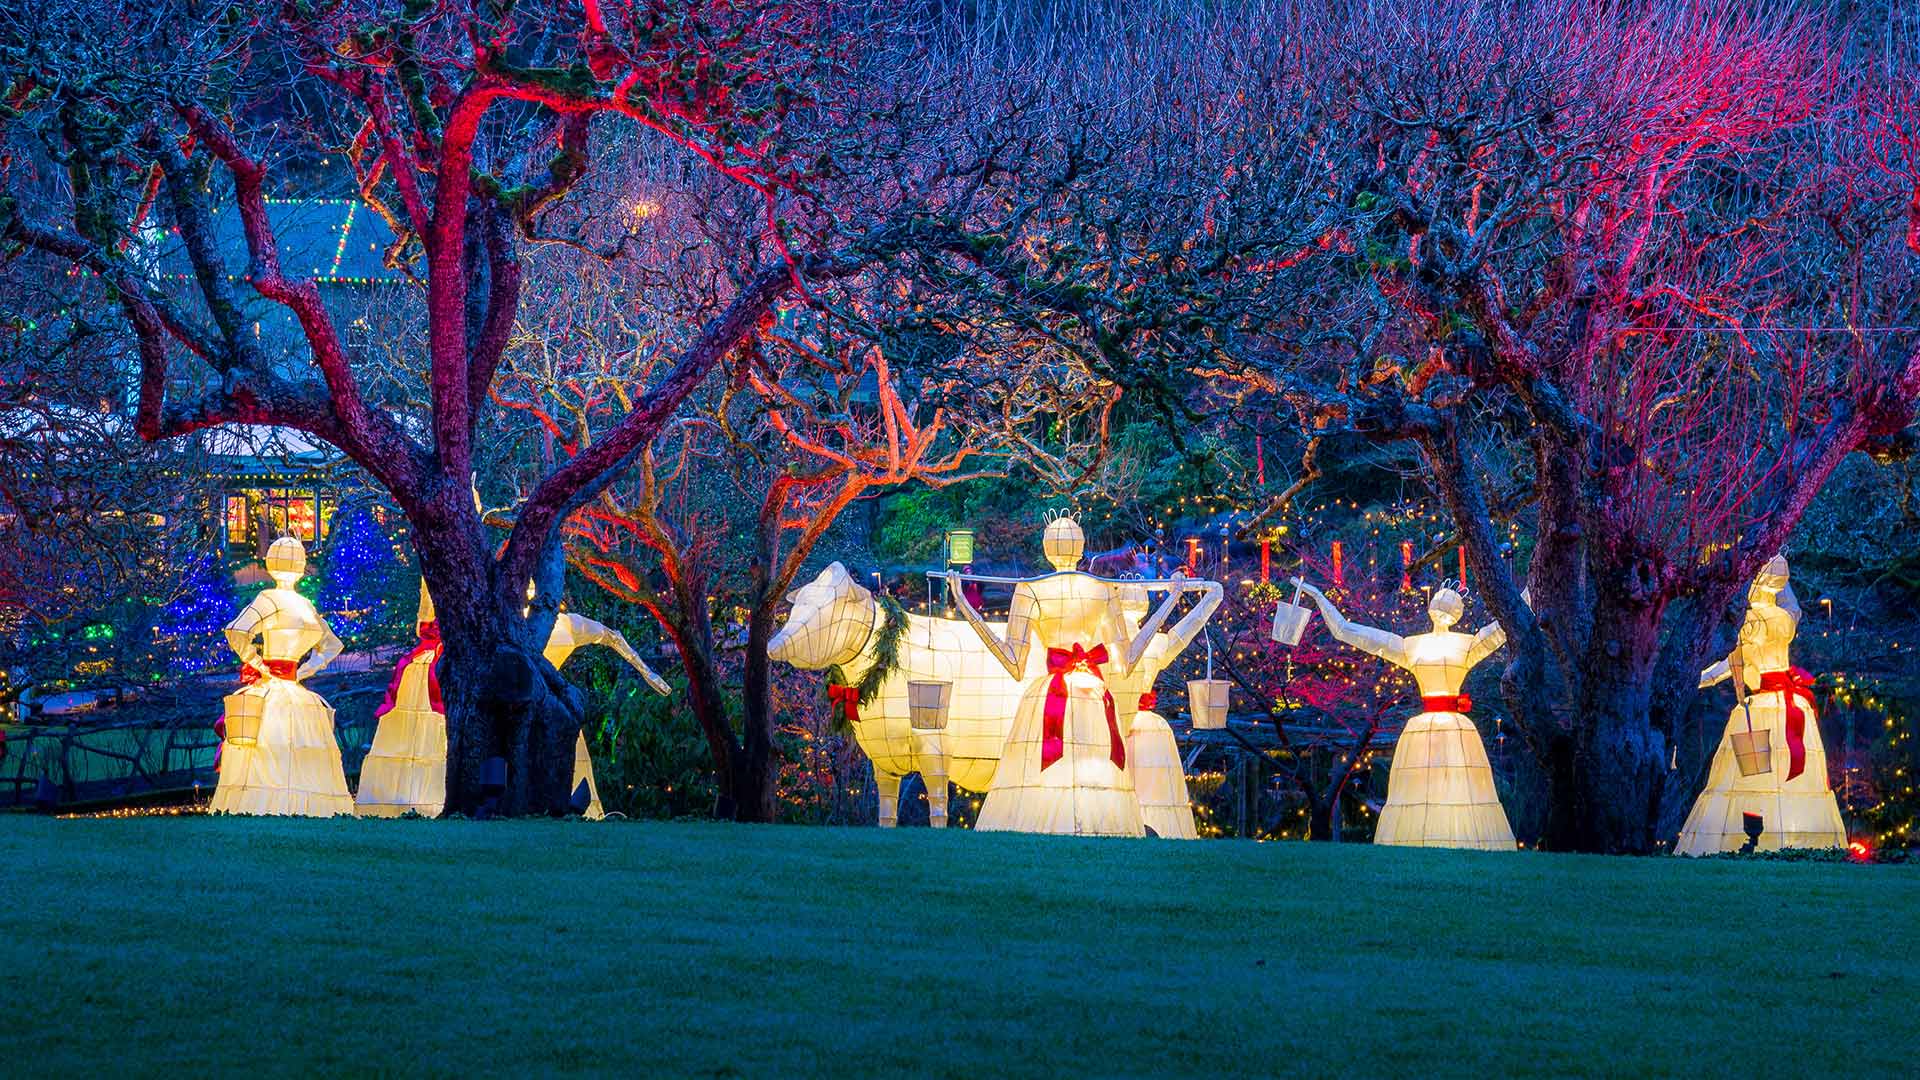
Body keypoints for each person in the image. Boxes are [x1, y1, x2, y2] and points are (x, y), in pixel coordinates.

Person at [949, 516, 1179, 837]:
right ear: (1082, 545)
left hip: (1054, 694)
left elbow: (1013, 662)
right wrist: (1169, 602)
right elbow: (1128, 659)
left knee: (1057, 769)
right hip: (1090, 693)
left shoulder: (1031, 589)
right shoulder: (1102, 591)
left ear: (1046, 548)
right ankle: (1089, 831)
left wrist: (967, 608)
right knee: (1084, 770)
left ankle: (1069, 833)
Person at [1292, 578, 1516, 850]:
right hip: (1430, 729)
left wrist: (1534, 588)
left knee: (1457, 782)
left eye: (1450, 601)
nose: (1444, 604)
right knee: (1423, 786)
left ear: (1456, 612)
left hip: (1450, 728)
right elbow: (1345, 630)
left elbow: (1505, 624)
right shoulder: (1415, 645)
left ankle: (1457, 839)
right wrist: (1317, 595)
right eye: (1441, 599)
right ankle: (1426, 840)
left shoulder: (1465, 644)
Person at [1675, 555, 1845, 854]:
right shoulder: (1784, 618)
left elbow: (1730, 664)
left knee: (1750, 776)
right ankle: (1799, 843)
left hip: (1761, 707)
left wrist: (1693, 679)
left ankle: (1749, 840)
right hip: (1791, 706)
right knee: (1788, 776)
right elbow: (1792, 611)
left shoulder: (1751, 623)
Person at [210, 537, 355, 816]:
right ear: (300, 566)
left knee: (270, 747)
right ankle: (304, 810)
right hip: (294, 688)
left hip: (277, 686)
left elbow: (237, 631)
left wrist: (259, 663)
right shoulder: (304, 606)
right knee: (295, 747)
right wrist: (305, 668)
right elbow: (332, 645)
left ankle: (263, 809)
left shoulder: (270, 600)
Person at [1111, 577, 1221, 839]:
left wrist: (1212, 595)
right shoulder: (1138, 641)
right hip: (1136, 722)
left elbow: (1187, 629)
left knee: (1145, 781)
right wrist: (1212, 595)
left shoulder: (1109, 639)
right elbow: (1187, 628)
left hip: (1117, 720)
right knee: (1148, 783)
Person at [356, 580, 448, 817]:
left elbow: (423, 622)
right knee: (416, 728)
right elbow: (424, 623)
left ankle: (424, 796)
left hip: (430, 663)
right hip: (427, 664)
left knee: (429, 728)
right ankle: (410, 797)